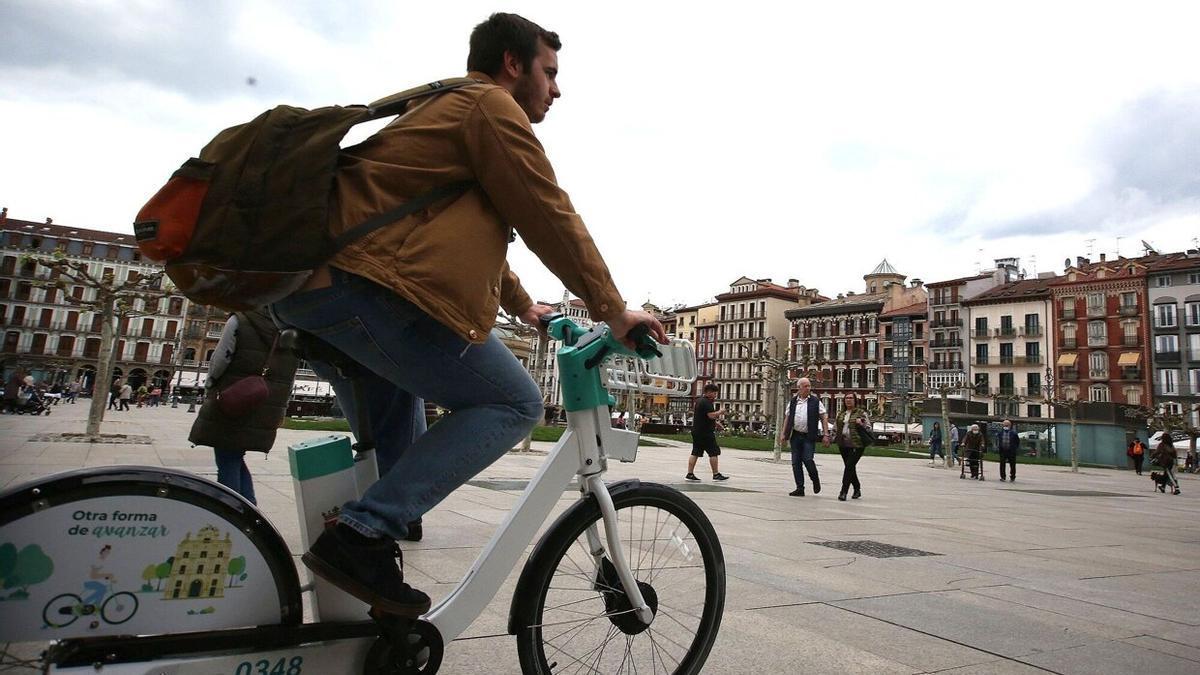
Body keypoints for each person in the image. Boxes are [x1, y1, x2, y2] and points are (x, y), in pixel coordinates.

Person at [269, 13, 667, 618]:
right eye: (550, 73)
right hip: (360, 289)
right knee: (514, 403)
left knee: (401, 440)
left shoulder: (445, 108)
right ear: (514, 64)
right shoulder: (489, 106)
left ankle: (370, 592)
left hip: (324, 287)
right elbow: (545, 213)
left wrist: (525, 306)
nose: (556, 90)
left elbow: (451, 231)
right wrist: (612, 311)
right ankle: (358, 535)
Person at [189, 308, 298, 505]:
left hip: (234, 397)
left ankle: (233, 512)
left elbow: (220, 358)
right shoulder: (292, 326)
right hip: (266, 403)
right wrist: (282, 406)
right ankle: (249, 509)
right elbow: (290, 374)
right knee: (233, 455)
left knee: (227, 457)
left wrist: (210, 385)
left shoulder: (241, 319)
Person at [781, 377, 830, 497]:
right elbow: (787, 418)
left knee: (808, 459)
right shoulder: (792, 402)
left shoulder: (815, 401)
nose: (808, 388)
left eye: (809, 386)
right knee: (795, 462)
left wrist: (826, 434)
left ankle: (815, 478)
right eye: (806, 386)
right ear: (799, 388)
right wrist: (783, 434)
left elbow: (824, 417)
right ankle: (800, 487)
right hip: (796, 435)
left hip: (809, 435)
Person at [687, 384, 729, 481]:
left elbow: (703, 417)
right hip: (705, 432)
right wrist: (720, 412)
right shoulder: (707, 402)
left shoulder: (699, 401)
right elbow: (711, 415)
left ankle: (690, 474)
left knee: (695, 452)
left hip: (697, 431)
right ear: (709, 392)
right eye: (714, 393)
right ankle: (716, 474)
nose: (715, 395)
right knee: (713, 452)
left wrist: (716, 423)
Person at [834, 395, 870, 500]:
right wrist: (829, 438)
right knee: (850, 467)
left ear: (855, 400)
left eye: (851, 398)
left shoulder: (861, 413)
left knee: (849, 466)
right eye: (846, 398)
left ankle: (843, 491)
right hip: (843, 444)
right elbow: (836, 427)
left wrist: (861, 423)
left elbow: (868, 427)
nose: (848, 400)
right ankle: (857, 488)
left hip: (857, 444)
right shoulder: (841, 414)